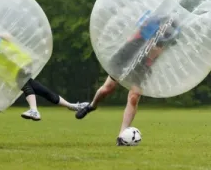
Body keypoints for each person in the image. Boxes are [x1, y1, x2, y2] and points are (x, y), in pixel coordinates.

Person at [75, 12, 180, 145]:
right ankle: (91, 106)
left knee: (134, 97)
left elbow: (156, 52)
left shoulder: (172, 32)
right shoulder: (152, 19)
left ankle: (122, 135)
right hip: (125, 55)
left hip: (144, 64)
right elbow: (135, 35)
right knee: (107, 89)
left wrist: (156, 46)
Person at [0, 23, 88, 121]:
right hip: (13, 67)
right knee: (38, 89)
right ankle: (72, 106)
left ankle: (34, 110)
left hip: (17, 62)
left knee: (24, 85)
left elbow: (7, 38)